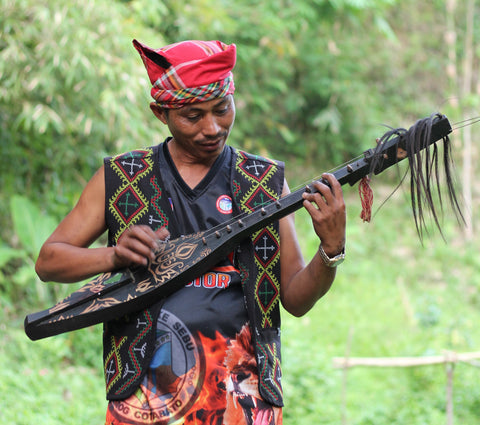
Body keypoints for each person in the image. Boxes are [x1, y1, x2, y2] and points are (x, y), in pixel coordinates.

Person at [35, 38, 346, 425]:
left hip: (242, 400)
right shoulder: (122, 178)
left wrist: (330, 248)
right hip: (145, 399)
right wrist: (113, 255)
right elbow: (49, 260)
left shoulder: (263, 182)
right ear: (160, 113)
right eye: (193, 116)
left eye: (222, 109)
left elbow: (295, 299)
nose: (212, 128)